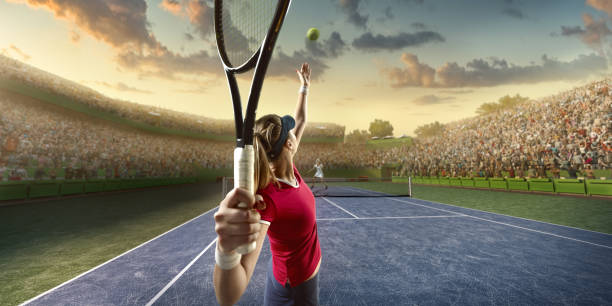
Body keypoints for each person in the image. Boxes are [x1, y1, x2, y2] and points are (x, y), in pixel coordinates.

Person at [213, 63, 321, 306]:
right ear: (289, 145)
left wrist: (304, 88)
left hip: (287, 277)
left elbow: (301, 119)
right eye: (291, 132)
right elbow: (229, 296)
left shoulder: (288, 166)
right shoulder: (268, 200)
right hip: (298, 289)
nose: (296, 131)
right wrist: (226, 251)